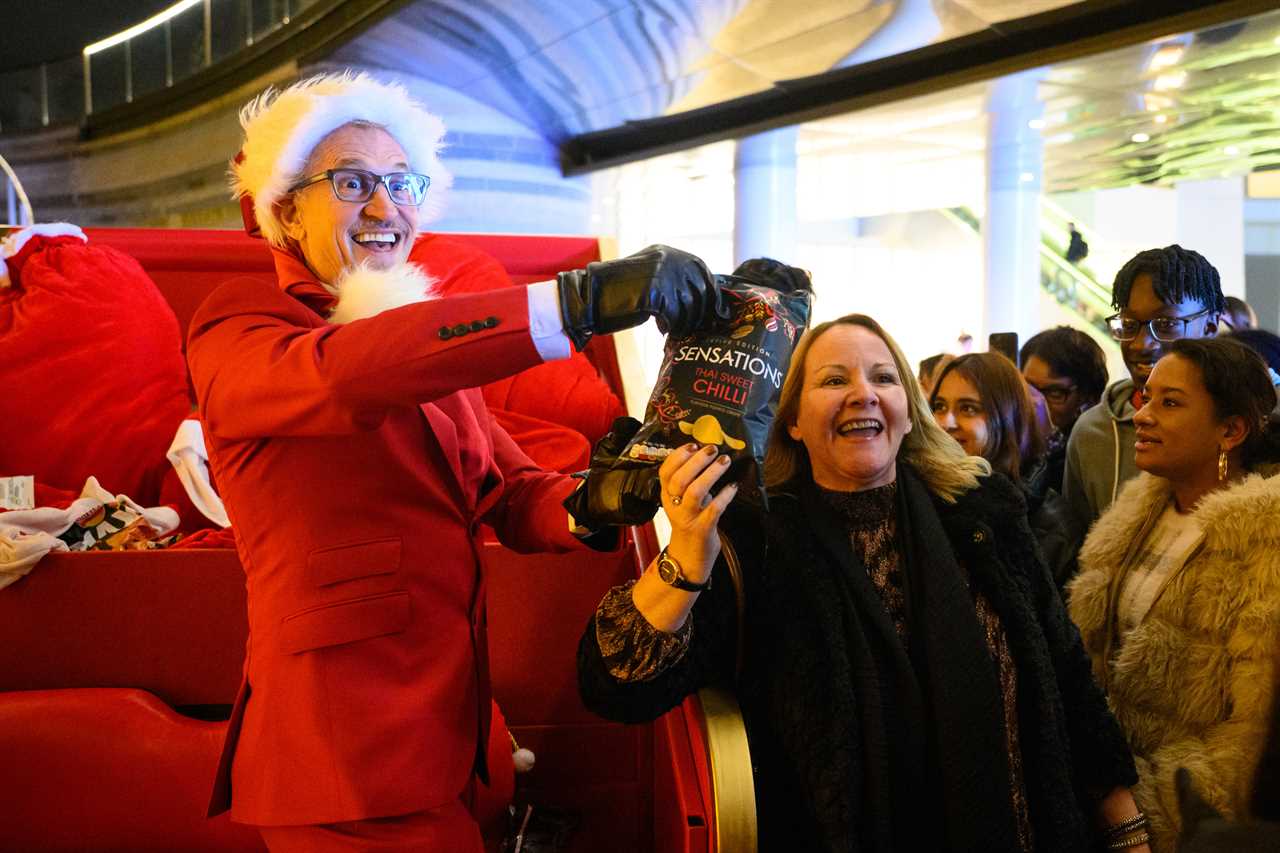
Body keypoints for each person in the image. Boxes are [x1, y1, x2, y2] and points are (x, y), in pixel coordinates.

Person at [186, 71, 723, 850]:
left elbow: (508, 490)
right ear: (282, 209)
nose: (384, 206)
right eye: (351, 182)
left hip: (444, 739)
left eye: (401, 183)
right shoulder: (243, 324)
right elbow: (345, 374)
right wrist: (573, 304)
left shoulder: (424, 346)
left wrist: (602, 498)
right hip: (341, 760)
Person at [579, 313, 1146, 852]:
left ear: (906, 409)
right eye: (833, 379)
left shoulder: (982, 515)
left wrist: (1127, 829)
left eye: (883, 377)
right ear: (793, 419)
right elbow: (619, 687)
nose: (864, 393)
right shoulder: (756, 544)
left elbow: (1065, 673)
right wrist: (685, 558)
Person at [1068, 337, 1280, 852]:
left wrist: (1163, 816)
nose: (1142, 415)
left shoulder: (1265, 540)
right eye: (1145, 397)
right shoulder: (1136, 516)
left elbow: (1253, 731)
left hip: (1188, 820)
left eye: (1170, 403)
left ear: (1230, 430)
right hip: (1104, 798)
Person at [1062, 245, 1224, 532]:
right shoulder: (1093, 432)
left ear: (1210, 326)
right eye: (1129, 324)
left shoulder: (1258, 423)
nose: (1141, 344)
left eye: (1166, 324)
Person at [929, 352, 1076, 586]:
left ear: (1007, 417)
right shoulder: (919, 494)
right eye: (939, 406)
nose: (946, 422)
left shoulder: (1051, 525)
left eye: (968, 409)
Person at [1020, 326, 1109, 494]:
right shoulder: (1008, 437)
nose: (1035, 402)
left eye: (1054, 393)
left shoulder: (1094, 455)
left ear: (1088, 399)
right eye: (1028, 388)